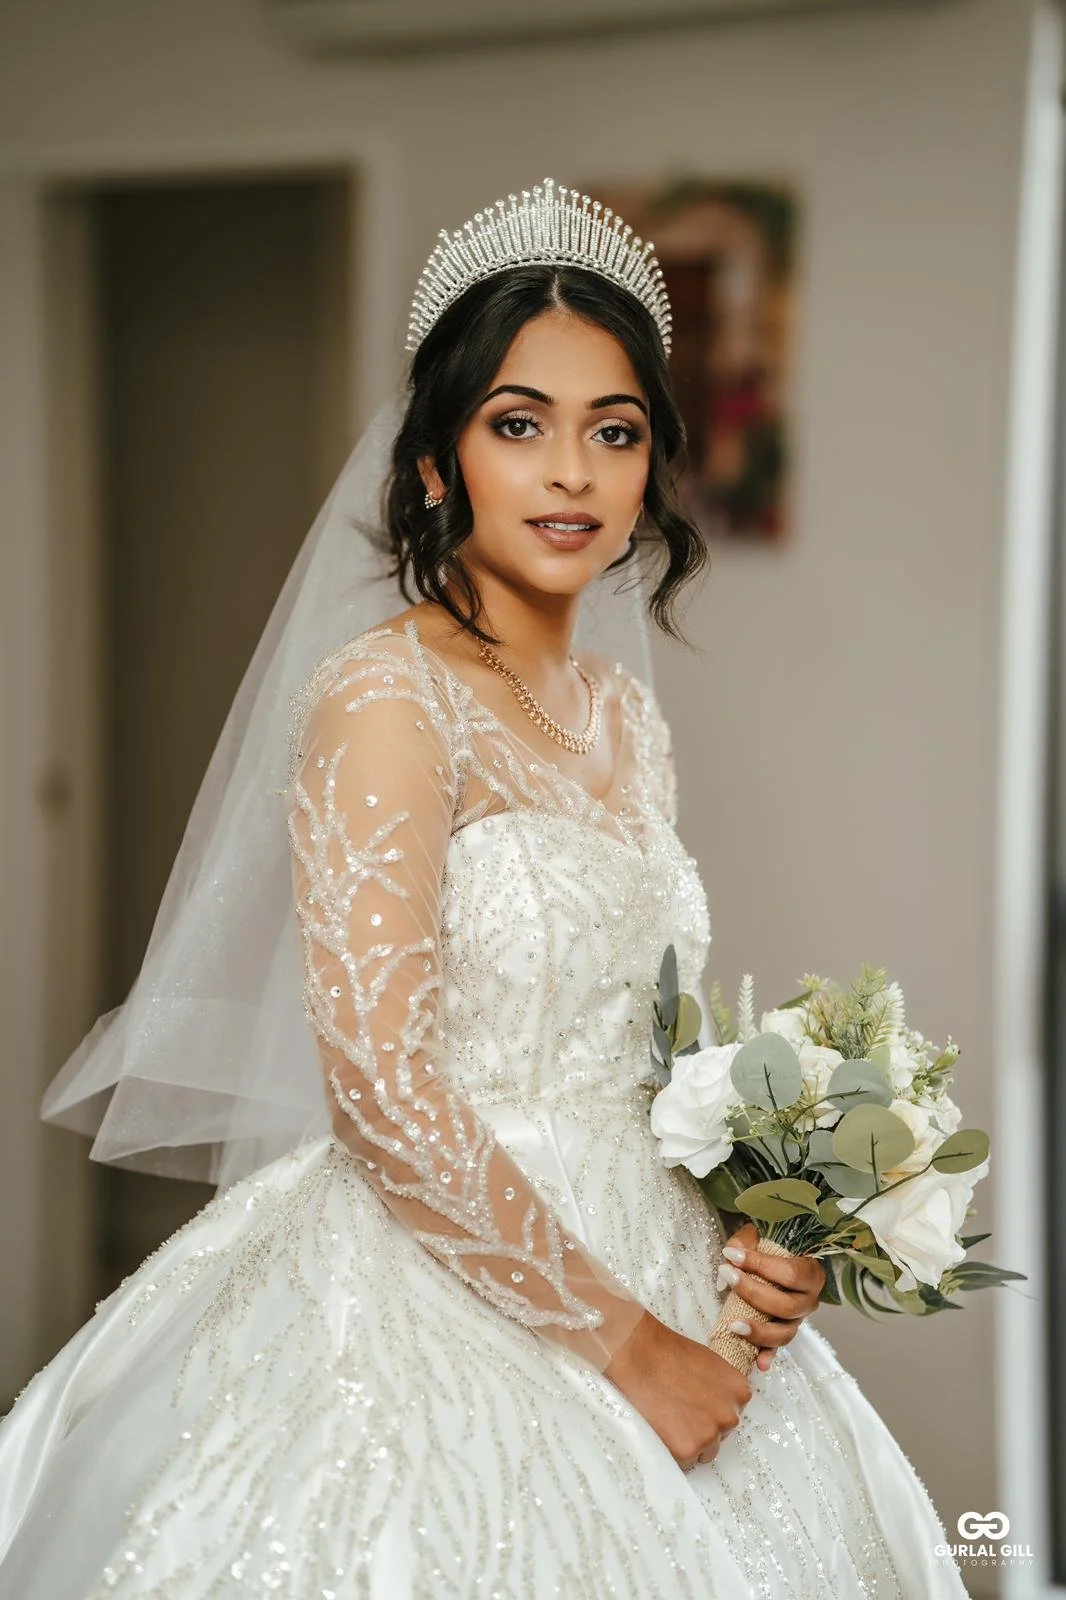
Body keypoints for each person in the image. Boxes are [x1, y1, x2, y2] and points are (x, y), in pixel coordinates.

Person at [0, 180, 968, 1599]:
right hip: (437, 1269)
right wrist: (633, 1353)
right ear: (439, 462)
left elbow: (642, 1049)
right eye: (519, 425)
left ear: (650, 471)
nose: (570, 472)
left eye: (613, 432)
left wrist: (769, 1225)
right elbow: (382, 1088)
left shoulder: (619, 720)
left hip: (654, 1240)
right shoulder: (384, 701)